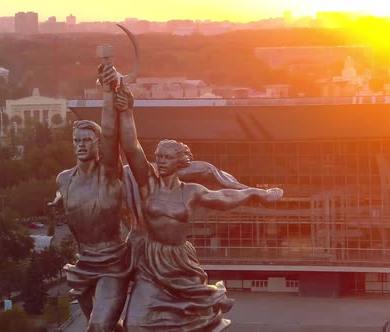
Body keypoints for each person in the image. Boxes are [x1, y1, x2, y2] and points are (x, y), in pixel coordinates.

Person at [114, 80, 283, 331]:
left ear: (180, 162)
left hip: (180, 260)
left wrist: (257, 193)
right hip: (151, 259)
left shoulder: (191, 192)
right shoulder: (147, 184)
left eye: (168, 157)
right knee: (136, 323)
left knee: (193, 321)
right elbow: (131, 146)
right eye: (159, 156)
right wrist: (127, 111)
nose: (160, 161)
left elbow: (224, 198)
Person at [49, 65, 131, 332]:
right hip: (84, 263)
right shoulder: (63, 178)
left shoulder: (109, 174)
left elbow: (110, 130)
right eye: (77, 140)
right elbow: (64, 192)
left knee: (97, 327)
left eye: (87, 140)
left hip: (112, 263)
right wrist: (59, 198)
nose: (81, 144)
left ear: (98, 145)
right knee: (105, 327)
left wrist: (108, 90)